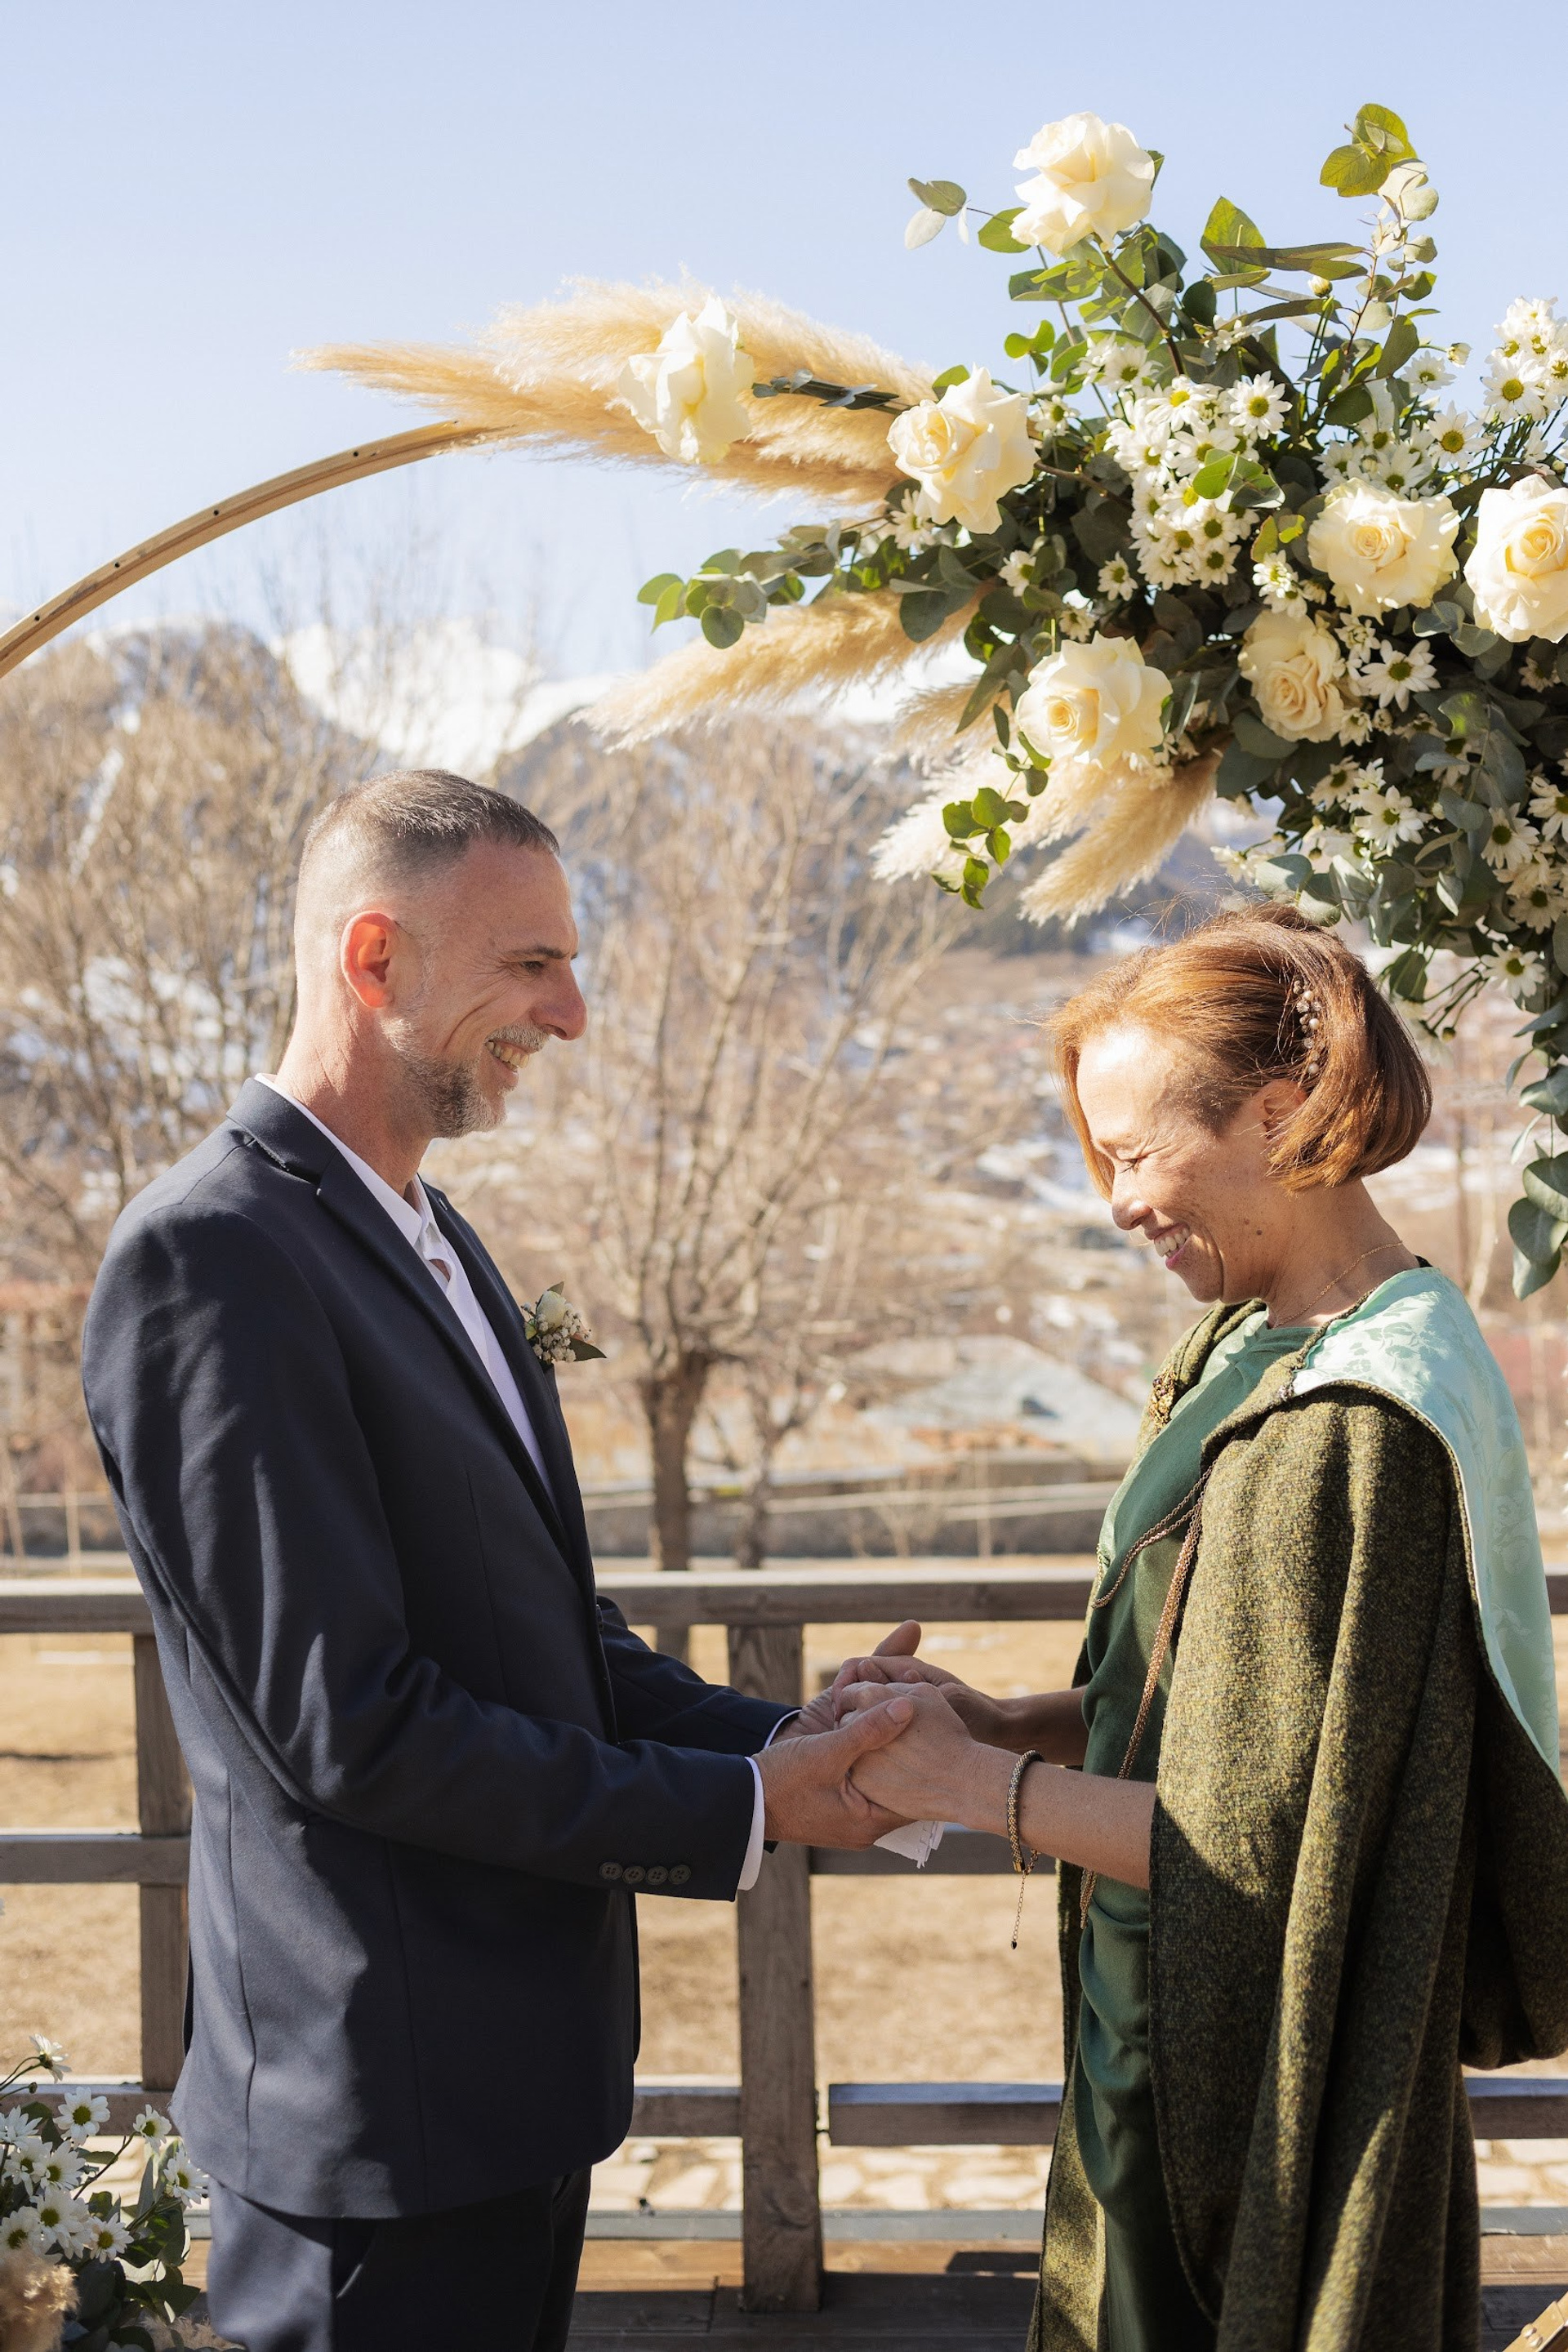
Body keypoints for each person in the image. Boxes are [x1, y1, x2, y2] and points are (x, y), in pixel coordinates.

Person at [81, 769, 920, 2352]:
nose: (572, 1014)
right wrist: (746, 1809)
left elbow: (549, 1642)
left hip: (519, 2099)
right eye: (533, 965)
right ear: (374, 958)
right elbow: (352, 1726)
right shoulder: (213, 1257)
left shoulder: (437, 1237)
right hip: (373, 2127)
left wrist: (803, 1742)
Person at [831, 904, 1568, 2351]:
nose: (1118, 1203)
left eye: (1134, 1154)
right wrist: (1009, 1721)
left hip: (1242, 2091)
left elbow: (1266, 1850)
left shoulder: (1348, 1425)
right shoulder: (1255, 1346)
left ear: (1280, 1114)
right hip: (1160, 2017)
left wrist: (968, 1785)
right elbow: (1221, 1705)